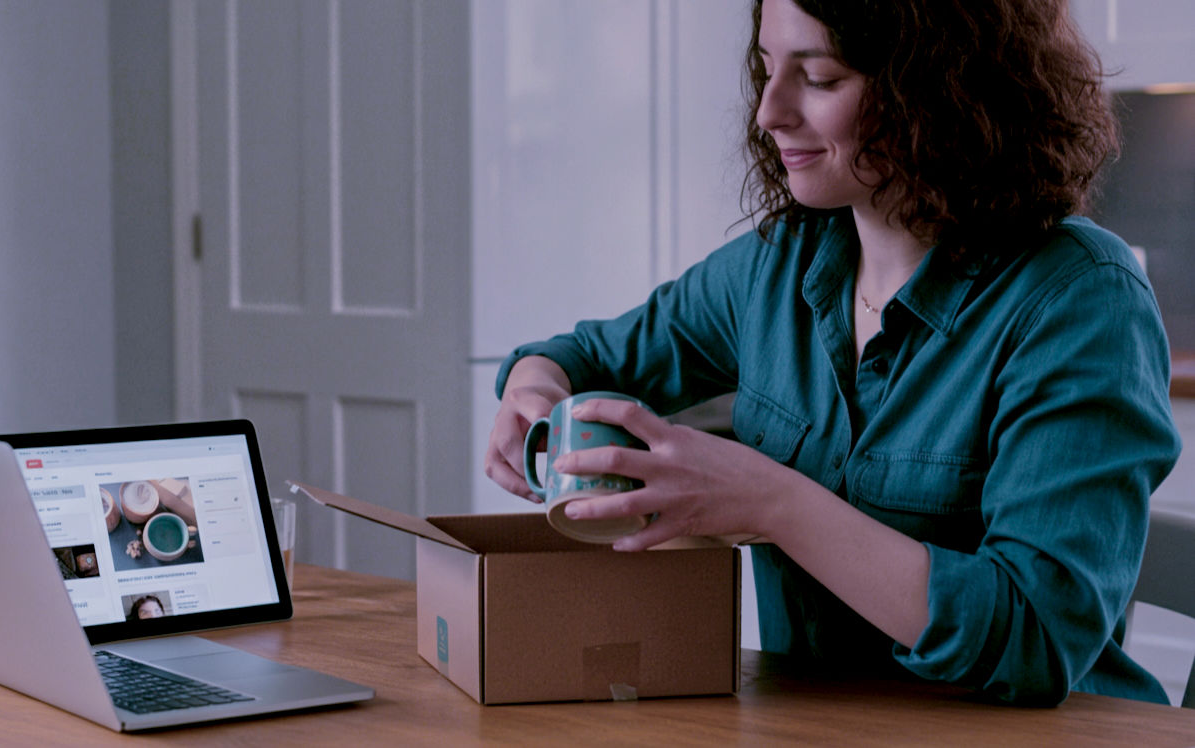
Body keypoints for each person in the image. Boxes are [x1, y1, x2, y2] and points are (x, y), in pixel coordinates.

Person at [484, 0, 1181, 706]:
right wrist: (533, 388)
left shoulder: (1080, 297)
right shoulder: (776, 268)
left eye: (818, 79)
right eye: (765, 69)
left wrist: (774, 503)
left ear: (941, 88)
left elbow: (1036, 641)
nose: (768, 112)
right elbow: (576, 356)